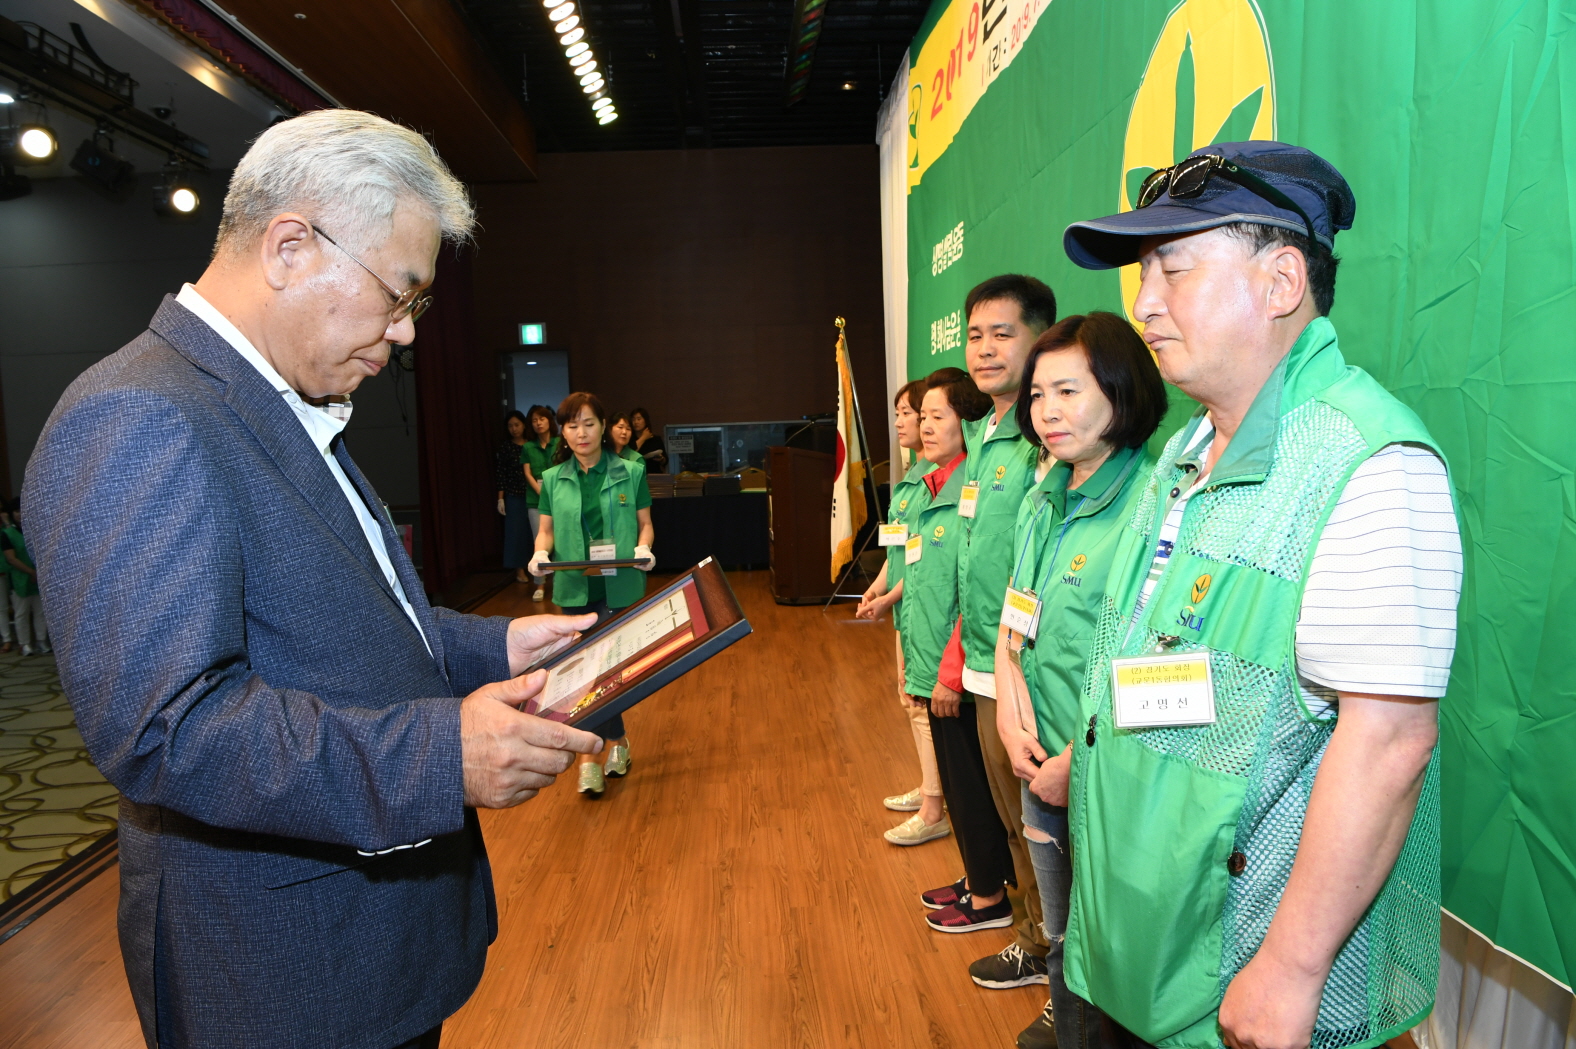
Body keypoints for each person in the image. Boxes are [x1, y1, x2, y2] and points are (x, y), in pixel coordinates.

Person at [23, 109, 607, 1049]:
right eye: (399, 293)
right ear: (291, 246)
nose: (407, 334)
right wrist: (439, 756)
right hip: (285, 978)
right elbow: (168, 728)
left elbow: (353, 613)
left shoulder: (281, 397)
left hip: (364, 951)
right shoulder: (139, 416)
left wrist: (493, 642)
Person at [1057, 141, 1461, 1049]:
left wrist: (1291, 967)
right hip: (1128, 947)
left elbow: (1390, 738)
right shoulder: (1185, 448)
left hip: (1239, 979)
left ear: (1282, 281)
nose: (1143, 302)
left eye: (1174, 269)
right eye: (1141, 274)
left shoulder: (1372, 466)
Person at [992, 314, 1168, 1049]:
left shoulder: (1157, 500)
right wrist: (1007, 708)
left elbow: (1161, 667)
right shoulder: (1043, 496)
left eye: (1068, 389)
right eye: (1038, 394)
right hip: (1038, 764)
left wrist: (1080, 761)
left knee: (1121, 966)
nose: (1047, 410)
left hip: (1113, 778)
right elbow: (1013, 620)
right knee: (1063, 945)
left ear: (1122, 392)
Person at [932, 275, 1059, 982]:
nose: (984, 349)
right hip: (984, 658)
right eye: (974, 334)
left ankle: (1050, 951)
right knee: (1013, 822)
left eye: (1001, 333)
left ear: (1040, 337)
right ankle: (1036, 935)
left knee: (1040, 825)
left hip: (1027, 669)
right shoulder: (982, 434)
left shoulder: (1046, 434)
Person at [896, 370, 1010, 932]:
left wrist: (949, 666)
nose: (924, 426)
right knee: (965, 787)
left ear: (968, 423)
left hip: (962, 666)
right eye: (923, 416)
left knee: (974, 789)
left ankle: (990, 896)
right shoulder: (932, 485)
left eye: (937, 416)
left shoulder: (974, 487)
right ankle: (979, 879)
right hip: (935, 660)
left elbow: (974, 588)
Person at [529, 392, 656, 797]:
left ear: (603, 426)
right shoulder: (552, 479)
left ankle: (596, 751)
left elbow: (644, 524)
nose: (580, 433)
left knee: (611, 669)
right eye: (571, 425)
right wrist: (539, 553)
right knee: (585, 672)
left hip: (620, 584)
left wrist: (644, 548)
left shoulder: (631, 470)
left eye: (588, 423)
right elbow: (546, 529)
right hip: (573, 585)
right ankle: (609, 745)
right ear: (562, 432)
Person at [855, 376, 949, 846]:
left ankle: (936, 804)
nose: (903, 423)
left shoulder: (935, 481)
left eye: (908, 414)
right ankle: (931, 787)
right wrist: (877, 589)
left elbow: (929, 558)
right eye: (909, 415)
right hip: (904, 610)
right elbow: (898, 553)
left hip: (920, 610)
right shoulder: (911, 478)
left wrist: (889, 597)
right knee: (911, 704)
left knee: (921, 706)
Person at [520, 404, 561, 602]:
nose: (538, 423)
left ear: (549, 421)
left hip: (560, 498)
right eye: (534, 420)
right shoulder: (528, 446)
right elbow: (527, 473)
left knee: (562, 540)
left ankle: (562, 582)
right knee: (540, 542)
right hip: (535, 499)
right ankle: (540, 585)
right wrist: (541, 492)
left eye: (542, 419)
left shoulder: (560, 443)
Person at [1, 497, 48, 656]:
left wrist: (38, 572)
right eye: (16, 511)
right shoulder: (7, 534)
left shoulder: (35, 531)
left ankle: (41, 641)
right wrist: (30, 572)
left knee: (40, 611)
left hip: (37, 577)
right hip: (20, 578)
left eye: (22, 511)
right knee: (22, 613)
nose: (20, 514)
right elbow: (11, 558)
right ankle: (25, 644)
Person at [496, 409, 534, 584]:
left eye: (517, 425)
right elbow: (501, 473)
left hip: (533, 494)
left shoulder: (531, 445)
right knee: (516, 534)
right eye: (510, 426)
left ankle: (535, 567)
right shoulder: (506, 447)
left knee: (532, 532)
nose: (514, 429)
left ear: (524, 425)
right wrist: (500, 498)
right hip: (514, 495)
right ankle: (519, 570)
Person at [629, 407, 667, 473]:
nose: (636, 422)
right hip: (636, 474)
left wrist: (661, 459)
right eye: (633, 419)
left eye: (639, 419)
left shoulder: (655, 439)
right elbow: (629, 454)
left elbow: (665, 460)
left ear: (645, 420)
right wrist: (643, 438)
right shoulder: (629, 439)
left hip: (654, 475)